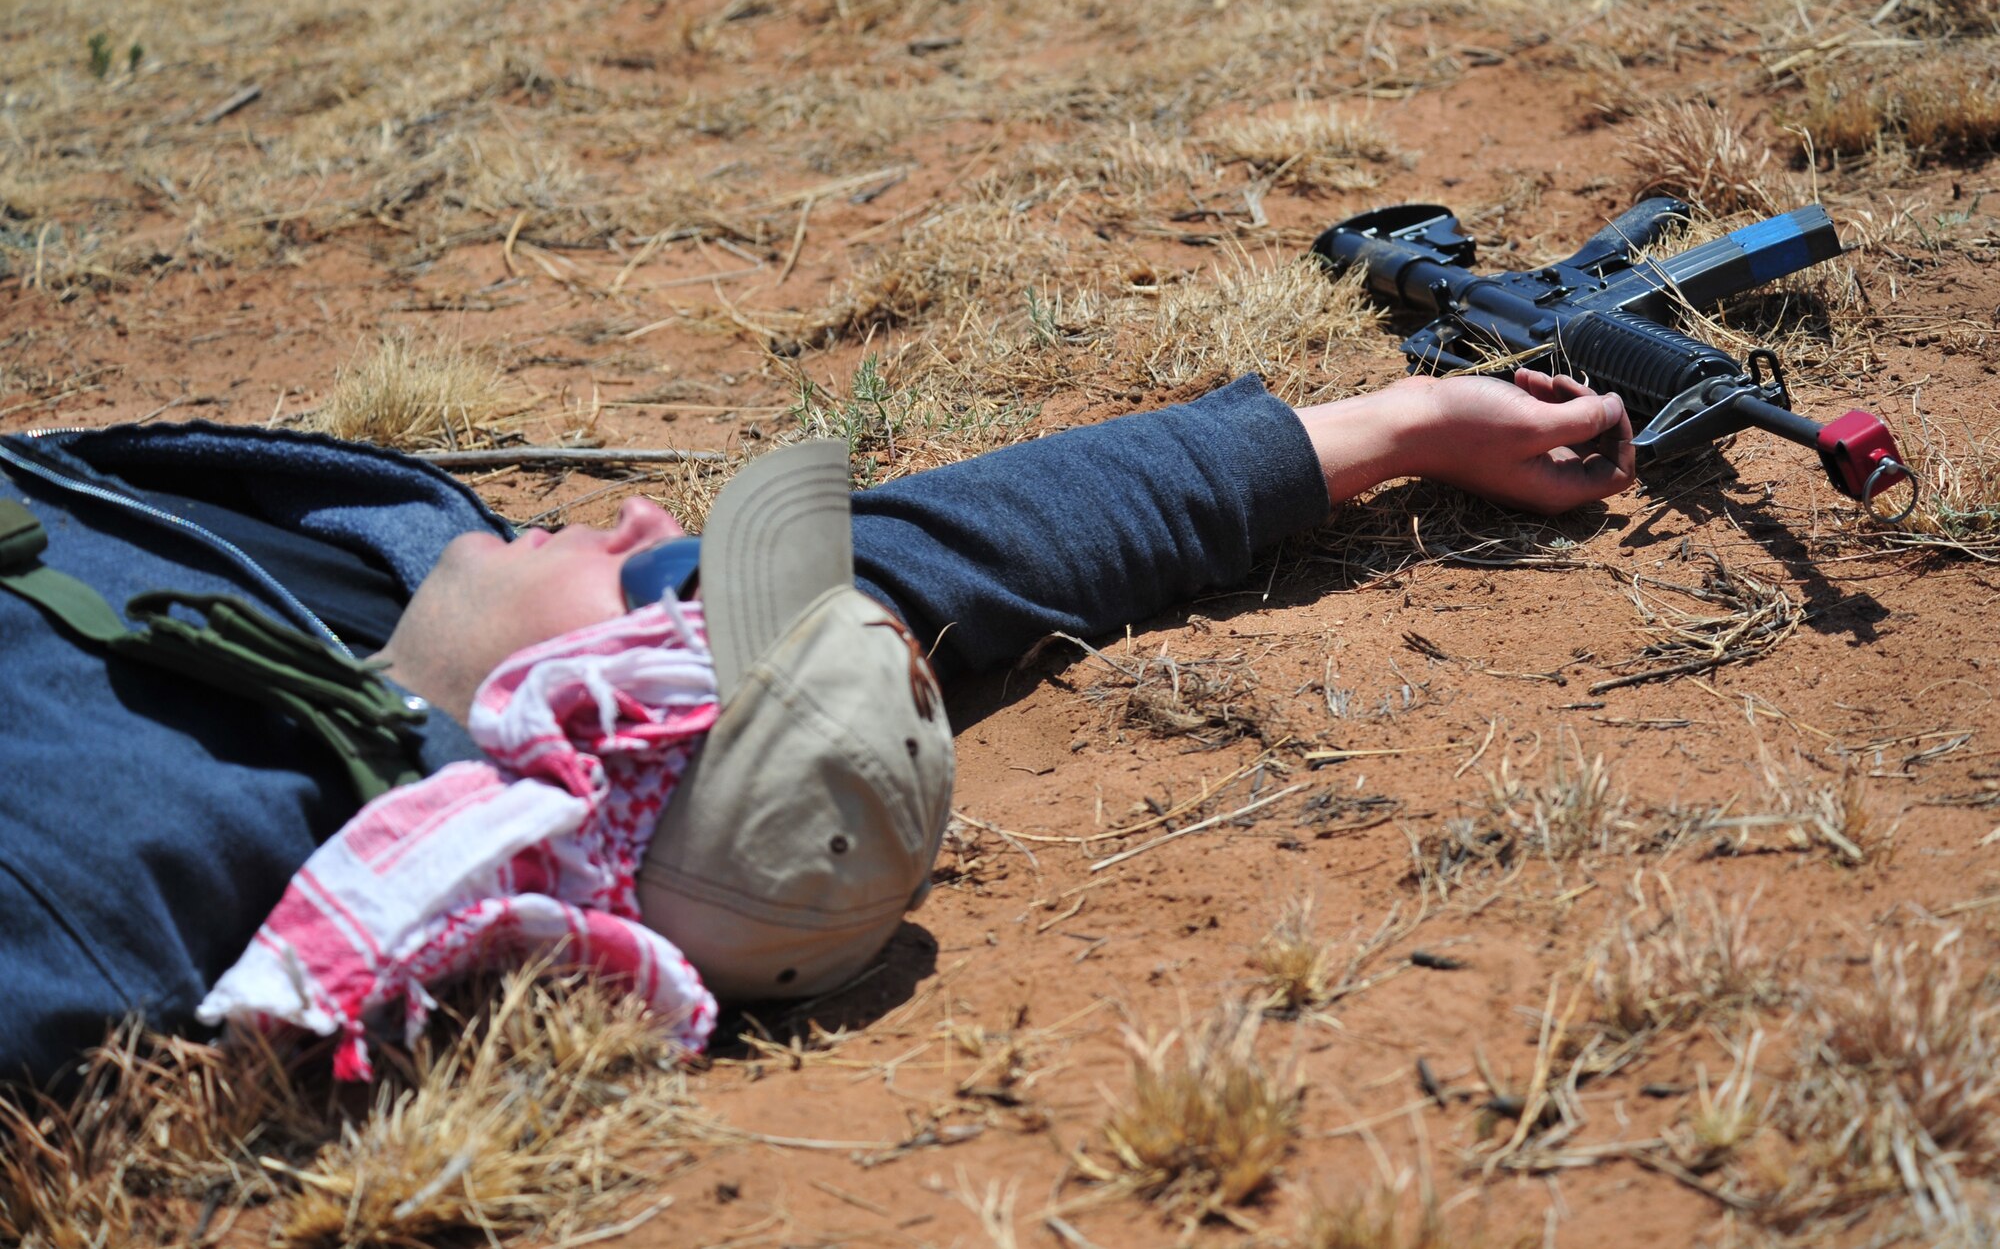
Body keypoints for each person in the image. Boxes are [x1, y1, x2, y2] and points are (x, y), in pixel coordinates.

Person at [0, 366, 1632, 1081]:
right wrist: (1399, 429)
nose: (644, 518)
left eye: (663, 585)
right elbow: (976, 547)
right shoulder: (505, 676)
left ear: (592, 743)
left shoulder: (107, 881)